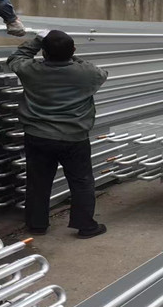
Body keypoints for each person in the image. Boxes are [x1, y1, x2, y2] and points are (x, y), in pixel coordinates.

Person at [7, 30, 109, 239]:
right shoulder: (87, 73)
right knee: (81, 182)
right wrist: (70, 55)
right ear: (72, 51)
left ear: (43, 53)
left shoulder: (30, 70)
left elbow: (16, 58)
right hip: (74, 137)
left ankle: (37, 225)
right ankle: (85, 226)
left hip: (38, 136)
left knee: (38, 182)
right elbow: (102, 73)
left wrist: (37, 40)